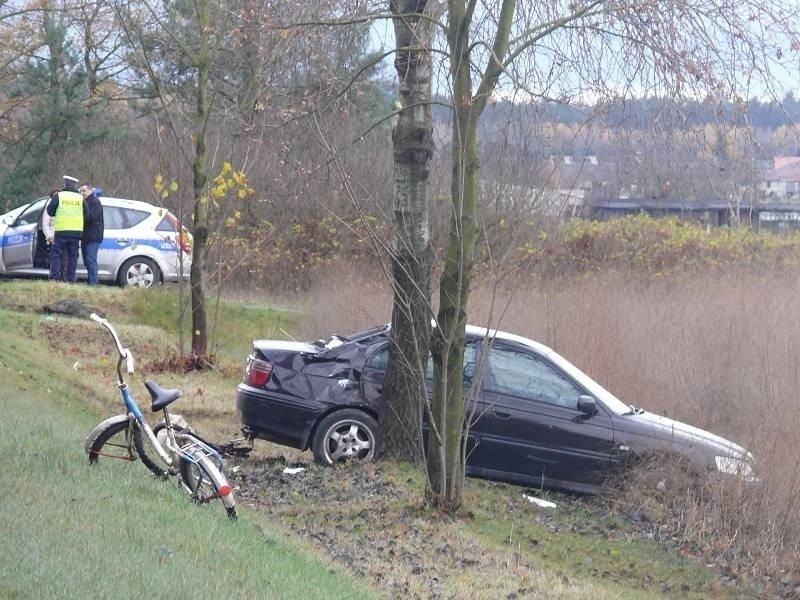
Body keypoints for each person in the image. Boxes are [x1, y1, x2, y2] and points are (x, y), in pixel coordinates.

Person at [46, 175, 84, 282]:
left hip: (61, 231)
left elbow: (50, 211)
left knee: (57, 254)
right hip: (76, 232)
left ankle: (54, 277)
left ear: (64, 184)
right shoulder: (80, 198)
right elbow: (87, 214)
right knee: (72, 256)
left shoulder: (59, 196)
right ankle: (70, 278)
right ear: (74, 186)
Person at [80, 183, 104, 285]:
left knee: (90, 260)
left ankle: (93, 283)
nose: (82, 193)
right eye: (81, 191)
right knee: (86, 261)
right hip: (85, 236)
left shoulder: (95, 202)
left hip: (93, 236)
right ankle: (91, 281)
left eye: (84, 191)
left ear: (90, 191)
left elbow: (91, 217)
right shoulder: (83, 202)